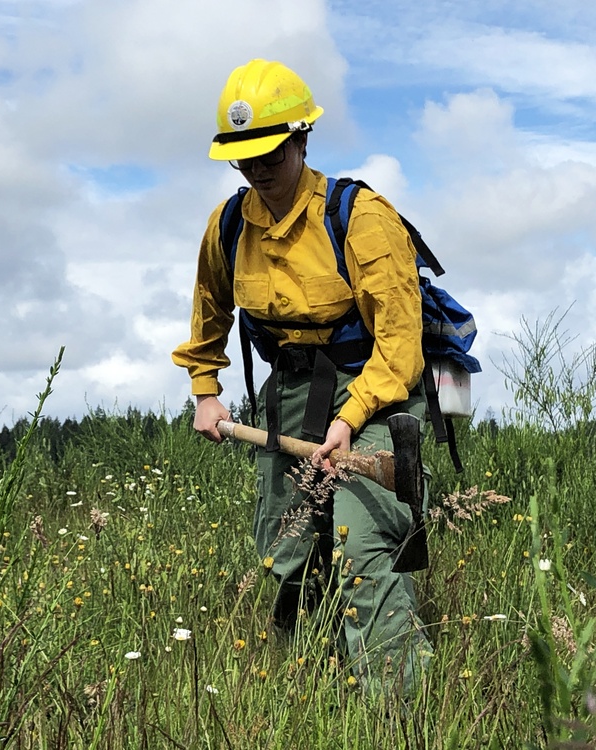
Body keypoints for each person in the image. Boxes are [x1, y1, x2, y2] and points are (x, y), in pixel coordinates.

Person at [172, 59, 432, 695]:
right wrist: (204, 391)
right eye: (244, 159)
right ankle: (311, 693)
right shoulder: (229, 225)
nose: (258, 171)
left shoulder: (361, 217)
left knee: (360, 545)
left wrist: (348, 421)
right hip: (287, 396)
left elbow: (401, 345)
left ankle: (401, 709)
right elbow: (208, 313)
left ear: (301, 140)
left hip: (370, 392)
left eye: (270, 155)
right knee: (288, 556)